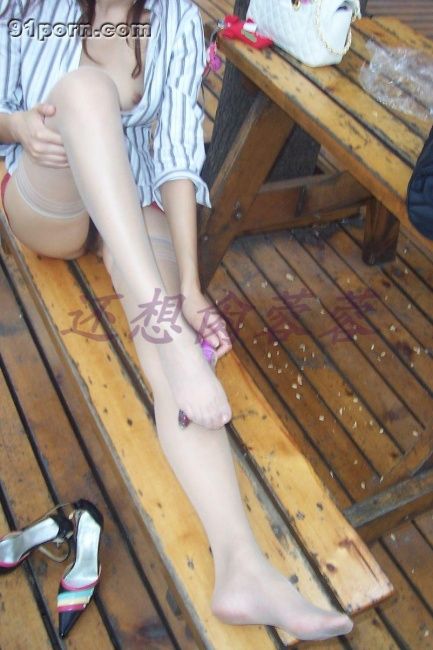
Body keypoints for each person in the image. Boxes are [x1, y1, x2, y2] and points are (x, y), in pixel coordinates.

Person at [0, 0, 354, 640]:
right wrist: (18, 126)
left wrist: (190, 288)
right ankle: (169, 332)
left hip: (127, 198)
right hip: (45, 192)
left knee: (173, 345)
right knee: (84, 91)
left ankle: (242, 567)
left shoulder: (175, 19)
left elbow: (177, 157)